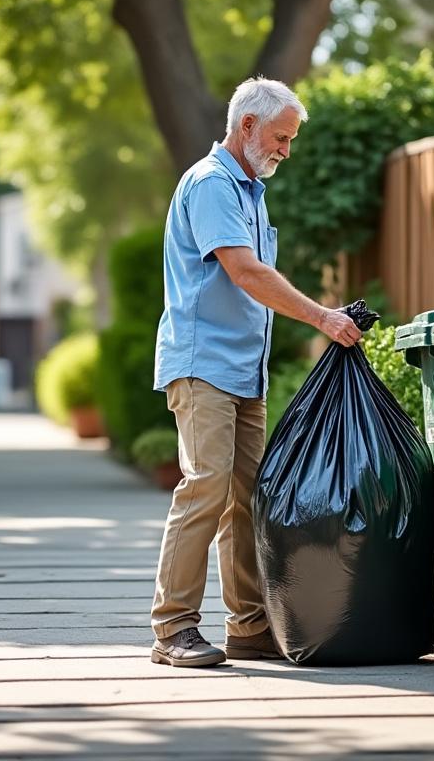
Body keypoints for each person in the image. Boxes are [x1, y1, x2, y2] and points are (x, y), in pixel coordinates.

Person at [149, 77, 364, 668]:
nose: (285, 151)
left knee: (248, 498)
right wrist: (322, 316)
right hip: (204, 364)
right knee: (207, 485)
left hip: (245, 369)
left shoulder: (250, 191)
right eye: (280, 137)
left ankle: (247, 625)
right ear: (246, 125)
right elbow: (245, 272)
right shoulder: (213, 184)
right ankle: (172, 629)